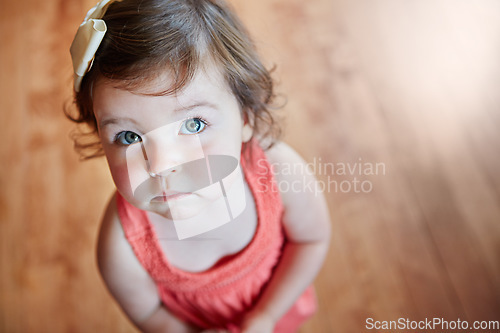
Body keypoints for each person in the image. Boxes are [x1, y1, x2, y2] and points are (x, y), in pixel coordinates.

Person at [66, 0, 331, 332]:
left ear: (246, 117)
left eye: (193, 125)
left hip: (278, 308)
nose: (162, 166)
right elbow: (150, 316)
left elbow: (310, 240)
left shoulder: (277, 171)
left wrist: (265, 317)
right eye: (129, 136)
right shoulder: (121, 246)